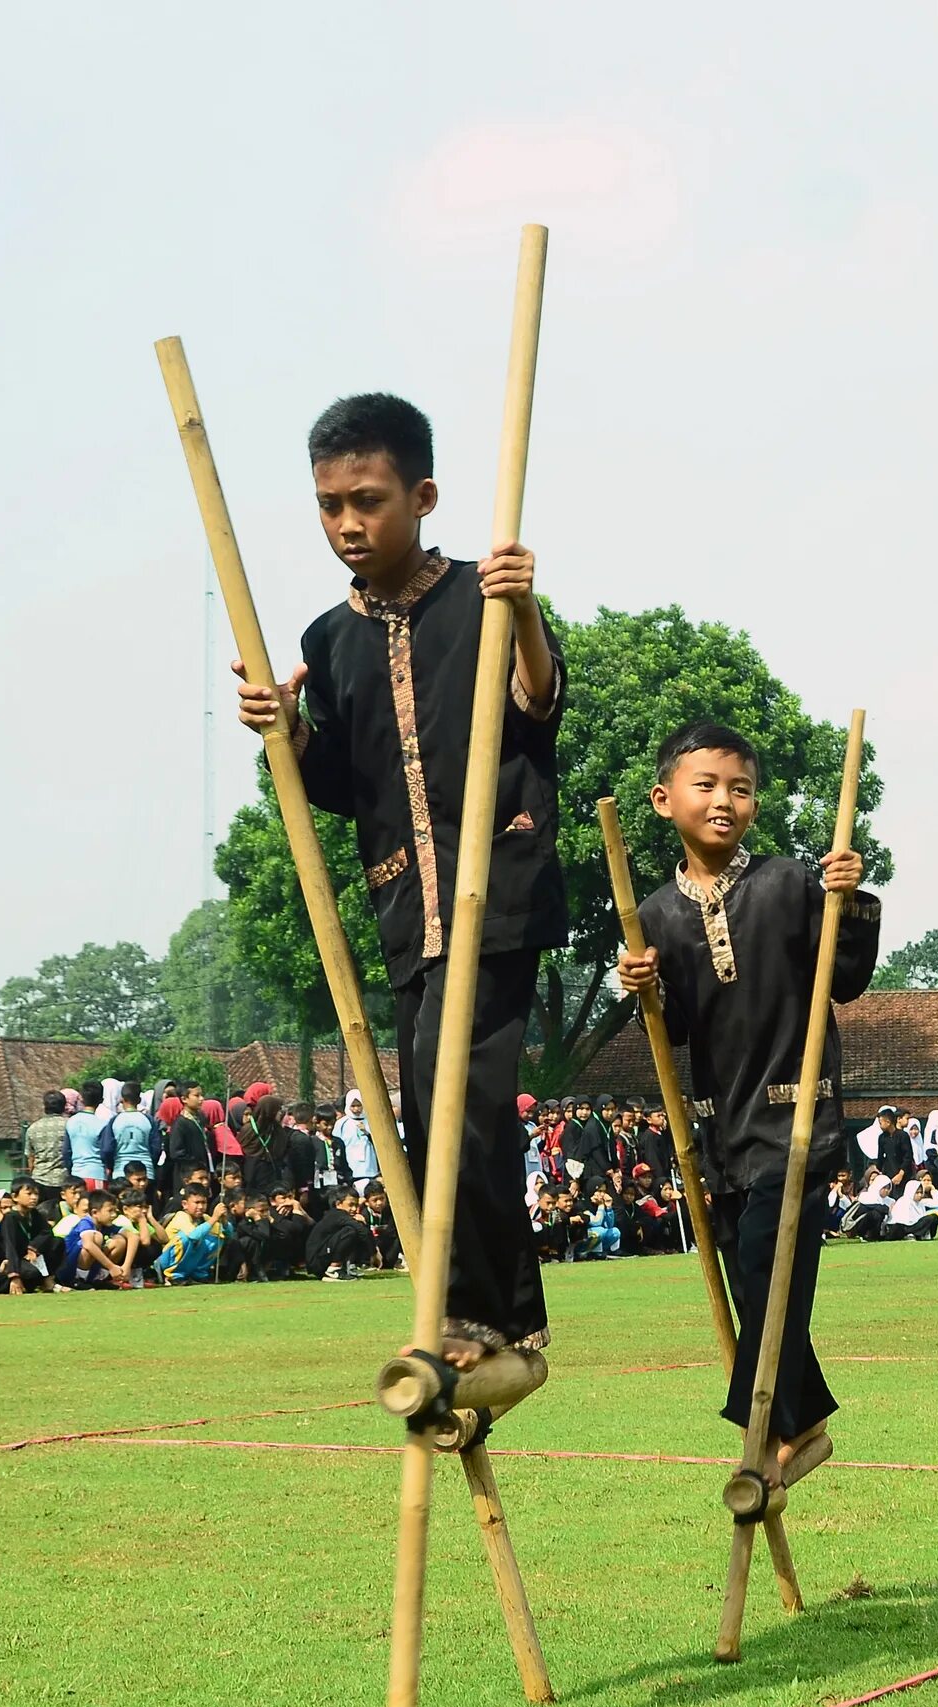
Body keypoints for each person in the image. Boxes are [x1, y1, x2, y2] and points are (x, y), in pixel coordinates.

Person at [235, 390, 563, 1368]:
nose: (347, 523)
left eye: (368, 500)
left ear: (421, 496)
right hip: (401, 903)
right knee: (425, 1107)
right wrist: (284, 736)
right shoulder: (327, 642)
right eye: (330, 503)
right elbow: (339, 780)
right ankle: (509, 1314)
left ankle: (474, 1313)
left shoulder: (483, 595)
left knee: (462, 1090)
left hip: (495, 889)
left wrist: (528, 608)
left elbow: (539, 705)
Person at [621, 721, 875, 1479]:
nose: (725, 801)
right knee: (752, 1280)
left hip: (797, 1116)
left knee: (772, 1263)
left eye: (740, 788)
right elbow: (672, 1037)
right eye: (707, 786)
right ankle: (809, 1423)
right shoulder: (654, 914)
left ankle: (762, 1418)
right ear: (666, 799)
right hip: (719, 1134)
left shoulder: (793, 883)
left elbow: (848, 980)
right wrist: (646, 994)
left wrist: (848, 902)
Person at [306, 1188, 379, 1279]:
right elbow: (362, 1231)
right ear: (338, 1204)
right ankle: (334, 1269)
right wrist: (374, 1254)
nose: (354, 1209)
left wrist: (363, 1224)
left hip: (322, 1257)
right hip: (317, 1261)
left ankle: (347, 1267)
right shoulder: (337, 1214)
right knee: (351, 1231)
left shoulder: (343, 1217)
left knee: (357, 1229)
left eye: (356, 1205)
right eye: (351, 1205)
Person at [21, 1090, 74, 1208]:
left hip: (39, 1180)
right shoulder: (70, 1125)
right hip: (64, 1181)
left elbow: (31, 1159)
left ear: (45, 1106)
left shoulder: (33, 1128)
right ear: (64, 1106)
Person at [65, 1089, 110, 1192]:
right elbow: (106, 1150)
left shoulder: (71, 1121)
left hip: (76, 1175)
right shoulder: (102, 1124)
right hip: (96, 1174)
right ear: (101, 1100)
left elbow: (66, 1152)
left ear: (81, 1098)